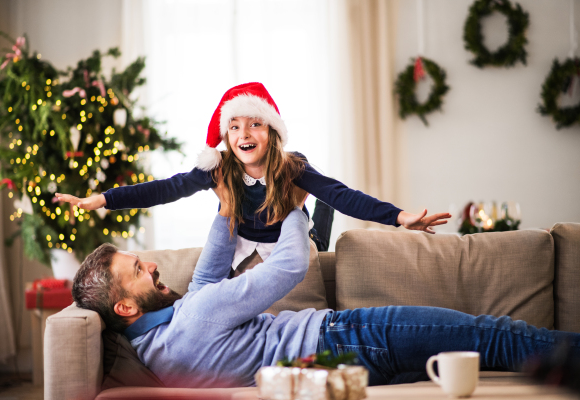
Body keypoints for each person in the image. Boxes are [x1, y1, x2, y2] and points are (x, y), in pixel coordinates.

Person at [72, 182, 580, 388]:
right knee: (497, 337)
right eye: (139, 272)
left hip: (338, 359)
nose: (154, 268)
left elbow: (206, 275)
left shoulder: (159, 349)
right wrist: (293, 204)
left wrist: (227, 209)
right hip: (348, 338)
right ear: (124, 308)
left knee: (489, 357)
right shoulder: (193, 320)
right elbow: (289, 269)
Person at [57, 82, 450, 268]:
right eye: (235, 127)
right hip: (248, 239)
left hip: (294, 234)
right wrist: (103, 199)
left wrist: (400, 217)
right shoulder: (218, 169)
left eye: (255, 125)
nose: (244, 134)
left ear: (272, 132)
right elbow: (165, 189)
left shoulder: (291, 164)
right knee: (231, 219)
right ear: (226, 137)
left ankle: (314, 227)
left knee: (317, 201)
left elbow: (343, 194)